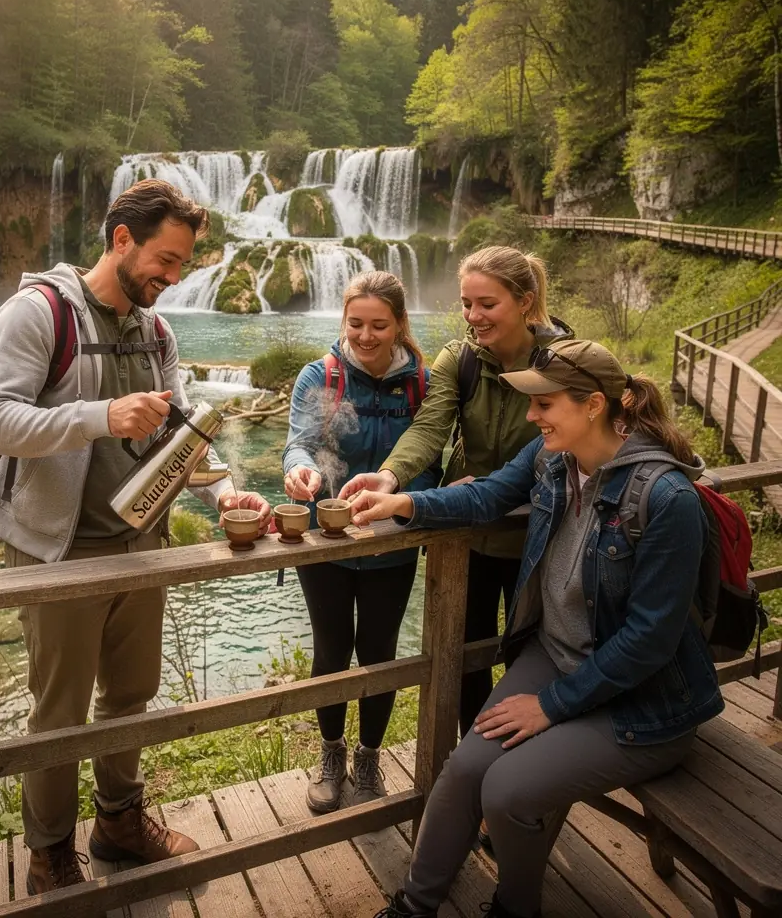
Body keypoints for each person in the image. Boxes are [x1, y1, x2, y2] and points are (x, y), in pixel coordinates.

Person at [347, 339, 724, 918]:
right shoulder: (554, 459)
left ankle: (515, 908)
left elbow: (651, 640)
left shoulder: (665, 498)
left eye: (544, 404)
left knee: (508, 791)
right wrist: (403, 504)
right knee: (466, 769)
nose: (531, 416)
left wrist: (552, 705)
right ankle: (415, 907)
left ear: (593, 405)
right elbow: (489, 495)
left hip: (645, 700)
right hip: (560, 656)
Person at [0, 179, 271, 896]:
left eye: (181, 266)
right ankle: (49, 856)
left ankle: (119, 822)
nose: (172, 279)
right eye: (165, 261)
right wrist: (100, 417)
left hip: (144, 544)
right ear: (120, 240)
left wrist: (225, 487)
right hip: (56, 548)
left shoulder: (156, 331)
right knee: (59, 712)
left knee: (130, 694)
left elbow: (179, 432)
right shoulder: (38, 312)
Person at [341, 246, 573, 745]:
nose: (473, 316)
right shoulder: (460, 358)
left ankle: (525, 772)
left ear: (525, 300)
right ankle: (475, 758)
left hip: (541, 535)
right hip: (467, 535)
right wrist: (390, 476)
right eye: (467, 303)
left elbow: (546, 455)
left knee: (532, 655)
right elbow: (430, 427)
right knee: (463, 656)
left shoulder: (563, 364)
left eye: (486, 304)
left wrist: (434, 500)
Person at [283, 271, 443, 813]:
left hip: (392, 542)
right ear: (343, 321)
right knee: (330, 649)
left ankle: (369, 757)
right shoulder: (319, 376)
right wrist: (300, 472)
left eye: (379, 325)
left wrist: (403, 502)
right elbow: (299, 445)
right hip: (325, 540)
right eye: (356, 324)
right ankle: (331, 754)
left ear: (400, 323)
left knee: (379, 651)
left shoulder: (426, 384)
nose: (366, 336)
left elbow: (431, 462)